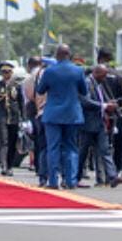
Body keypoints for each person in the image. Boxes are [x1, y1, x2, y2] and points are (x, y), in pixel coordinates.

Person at [35, 44, 87, 189]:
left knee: (53, 148)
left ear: (57, 55)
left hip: (52, 114)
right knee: (71, 147)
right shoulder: (78, 71)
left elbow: (40, 90)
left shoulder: (49, 71)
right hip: (72, 114)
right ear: (69, 55)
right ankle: (70, 180)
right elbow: (84, 91)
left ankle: (53, 181)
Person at [77, 65, 122, 188]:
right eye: (103, 75)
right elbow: (84, 101)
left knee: (105, 150)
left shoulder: (99, 84)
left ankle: (112, 176)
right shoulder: (86, 83)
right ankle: (75, 177)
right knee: (82, 152)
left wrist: (111, 104)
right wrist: (103, 106)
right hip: (87, 123)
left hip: (100, 123)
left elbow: (105, 99)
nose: (105, 78)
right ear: (96, 73)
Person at [0, 62, 24, 176]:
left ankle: (9, 165)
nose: (6, 74)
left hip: (13, 117)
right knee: (4, 141)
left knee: (13, 142)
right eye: (3, 72)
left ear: (11, 73)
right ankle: (3, 165)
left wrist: (25, 118)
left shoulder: (17, 86)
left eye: (8, 72)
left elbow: (21, 103)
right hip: (1, 116)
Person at [23, 56, 51, 187]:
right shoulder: (48, 74)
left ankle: (41, 172)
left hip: (36, 112)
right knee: (52, 144)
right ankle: (51, 172)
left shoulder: (27, 80)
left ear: (29, 66)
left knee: (40, 144)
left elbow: (27, 100)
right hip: (50, 111)